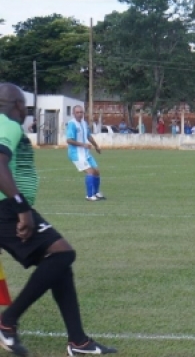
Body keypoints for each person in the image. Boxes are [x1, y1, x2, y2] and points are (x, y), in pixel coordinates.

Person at [0, 83, 117, 356]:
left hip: (7, 207)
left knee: (60, 266)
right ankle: (7, 321)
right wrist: (22, 208)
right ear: (19, 105)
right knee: (63, 253)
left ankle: (78, 342)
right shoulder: (7, 123)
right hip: (5, 208)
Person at [65, 106, 105, 201]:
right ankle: (89, 195)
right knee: (90, 172)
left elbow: (88, 136)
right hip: (76, 153)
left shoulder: (84, 123)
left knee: (96, 171)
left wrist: (96, 146)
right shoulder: (72, 124)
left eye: (81, 112)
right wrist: (83, 144)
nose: (80, 114)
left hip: (85, 153)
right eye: (77, 112)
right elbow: (69, 140)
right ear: (73, 114)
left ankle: (96, 193)